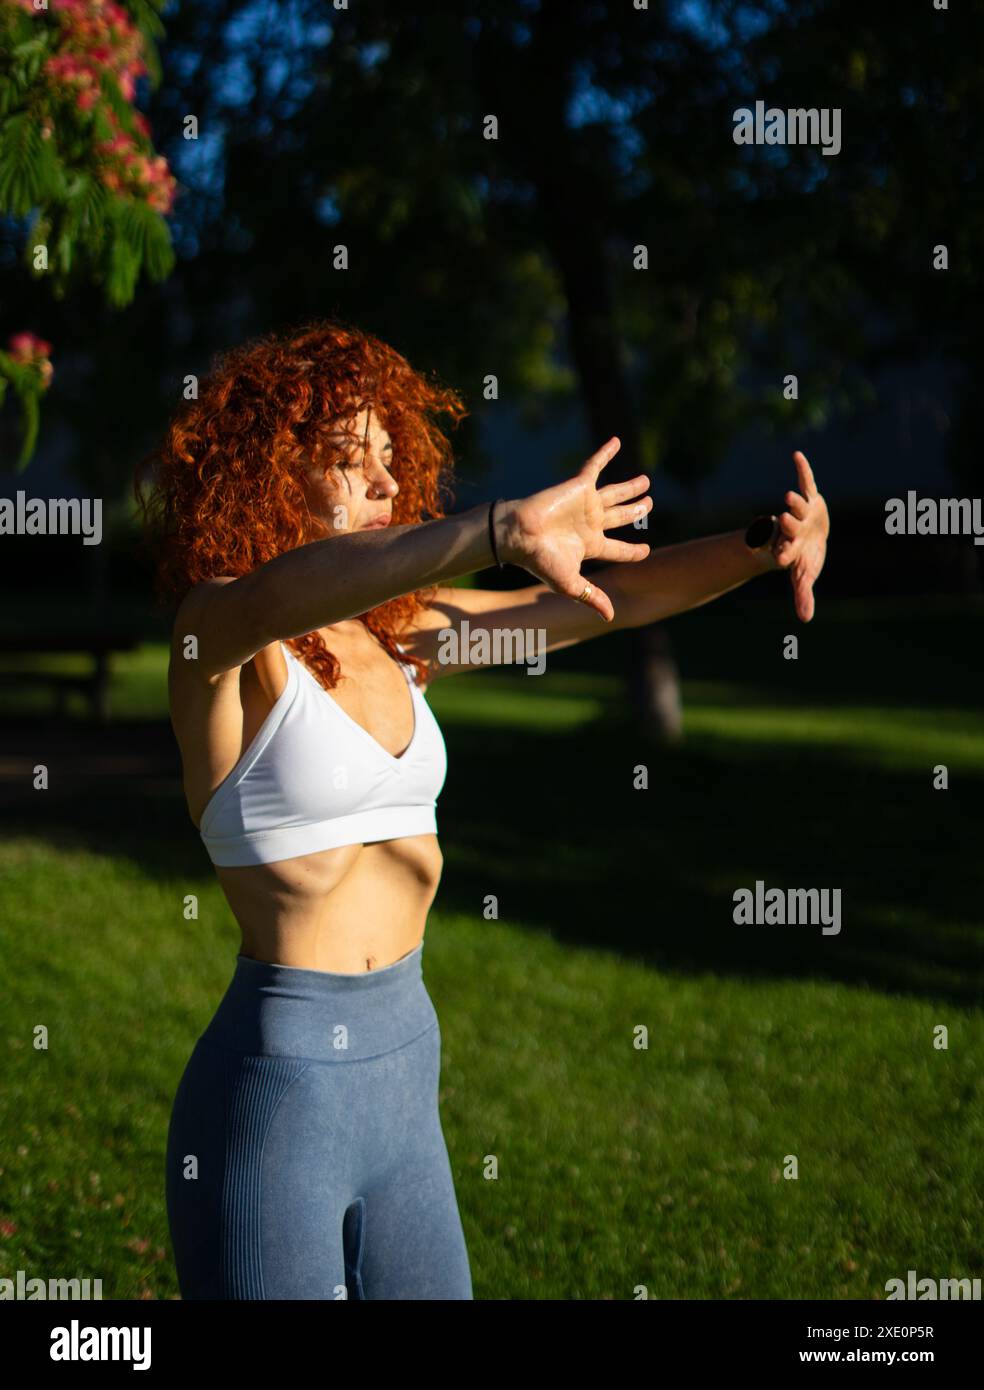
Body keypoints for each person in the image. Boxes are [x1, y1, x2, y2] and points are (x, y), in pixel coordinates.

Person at [136, 319, 829, 1300]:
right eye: (347, 459)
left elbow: (609, 602)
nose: (384, 484)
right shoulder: (221, 633)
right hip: (280, 1093)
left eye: (390, 458)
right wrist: (498, 530)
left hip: (406, 1072)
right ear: (273, 474)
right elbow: (277, 595)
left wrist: (763, 546)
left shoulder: (411, 638)